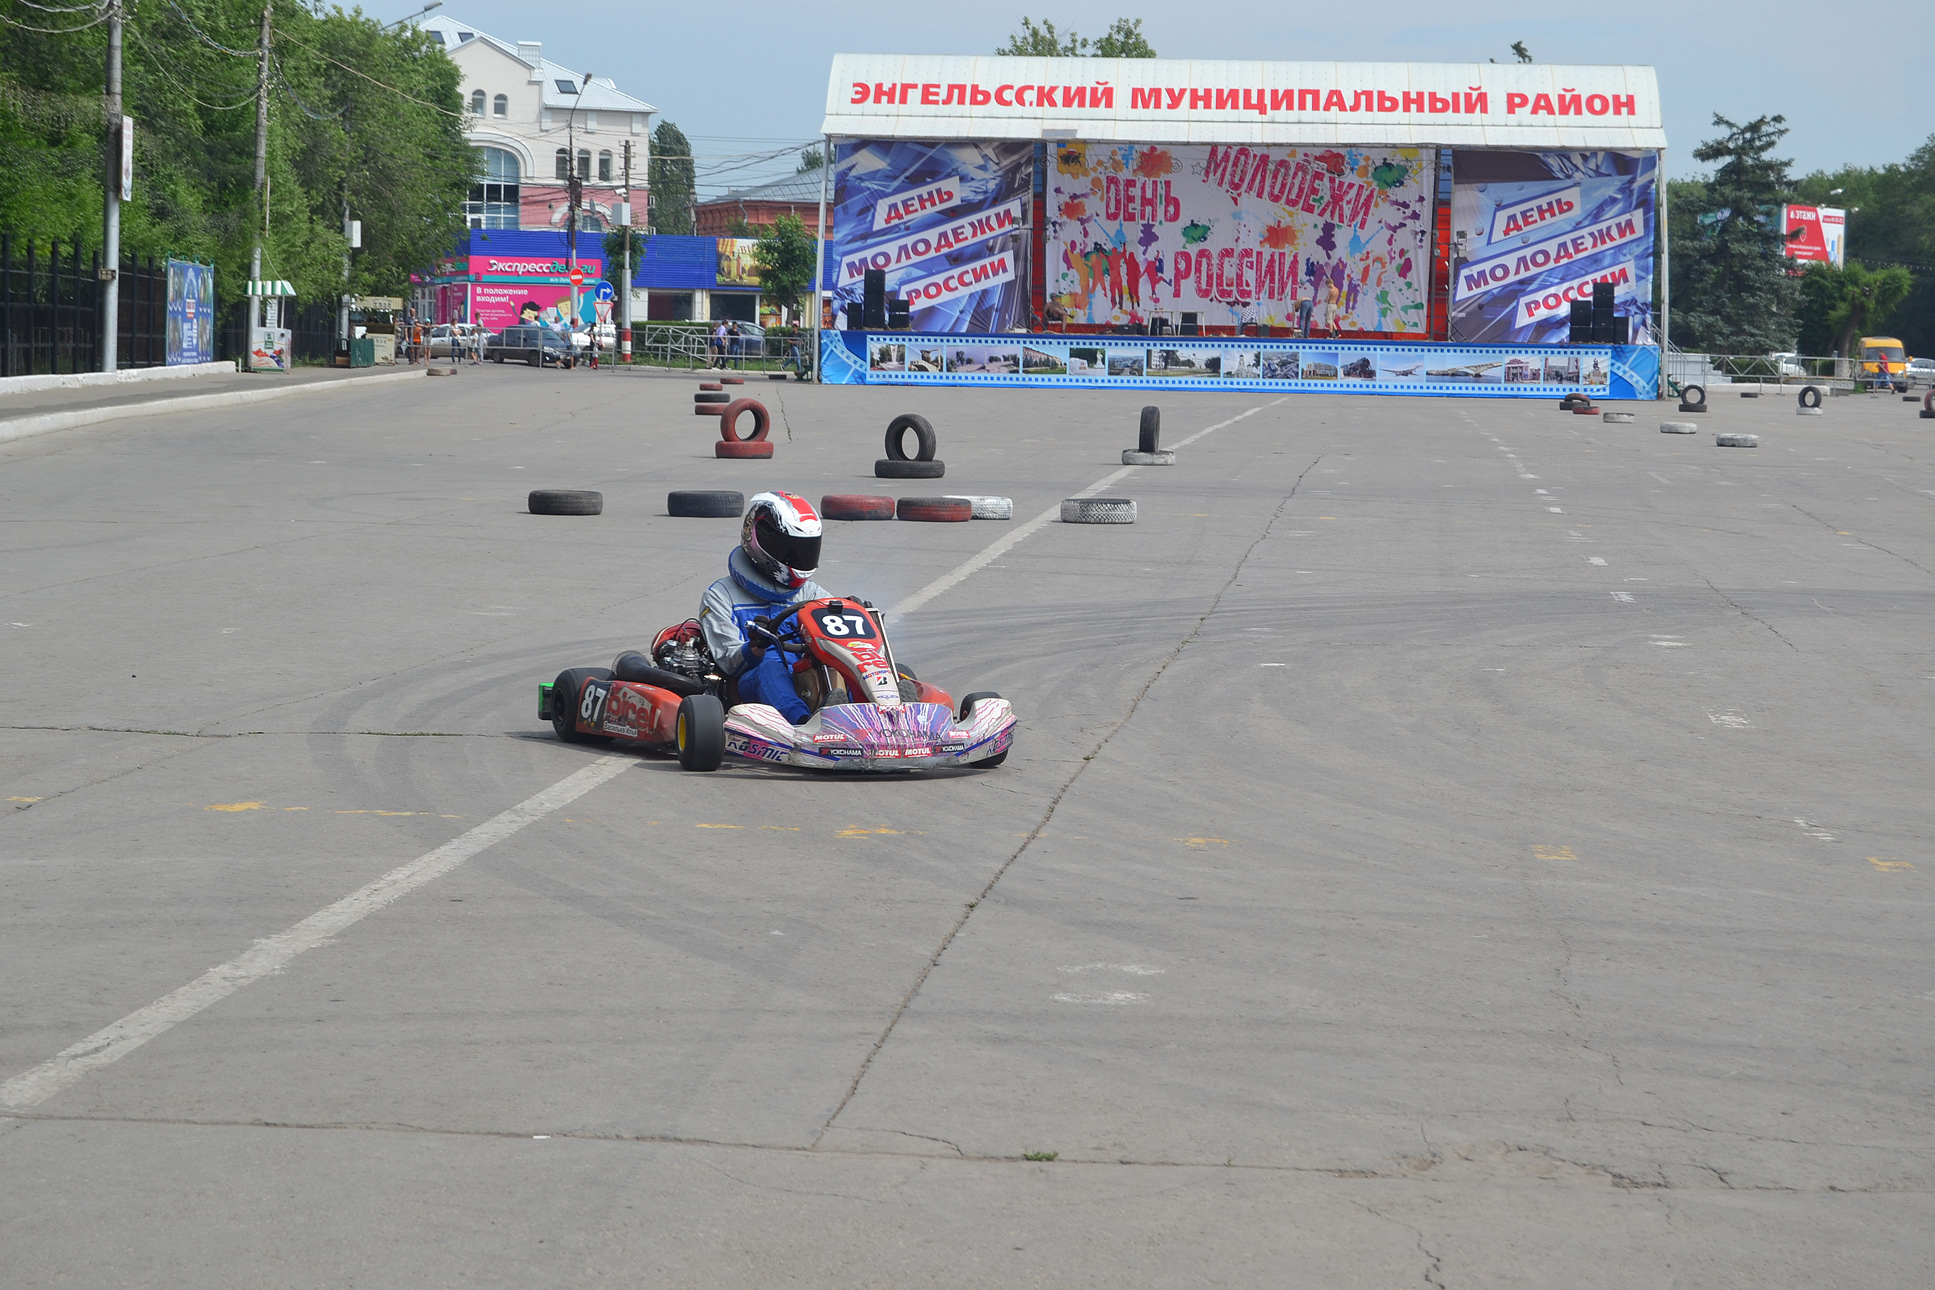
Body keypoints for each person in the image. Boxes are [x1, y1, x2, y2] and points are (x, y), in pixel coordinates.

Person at [699, 491, 828, 725]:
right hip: (751, 682)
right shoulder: (721, 595)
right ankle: (802, 724)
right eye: (791, 550)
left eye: (806, 549)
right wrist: (755, 646)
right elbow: (728, 661)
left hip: (807, 678)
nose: (800, 558)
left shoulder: (812, 594)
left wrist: (852, 610)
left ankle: (876, 709)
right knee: (771, 669)